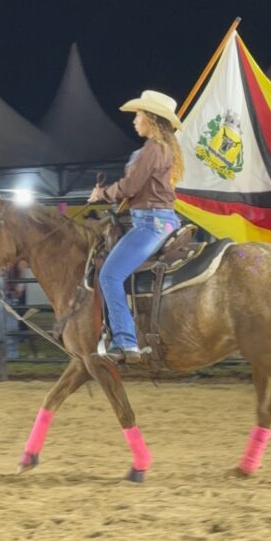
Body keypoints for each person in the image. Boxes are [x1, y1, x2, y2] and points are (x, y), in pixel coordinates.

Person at [87, 89, 184, 361]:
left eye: (138, 115)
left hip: (150, 224)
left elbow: (130, 186)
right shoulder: (165, 149)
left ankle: (126, 341)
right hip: (161, 220)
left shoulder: (153, 148)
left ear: (151, 118)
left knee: (108, 275)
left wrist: (102, 194)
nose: (134, 120)